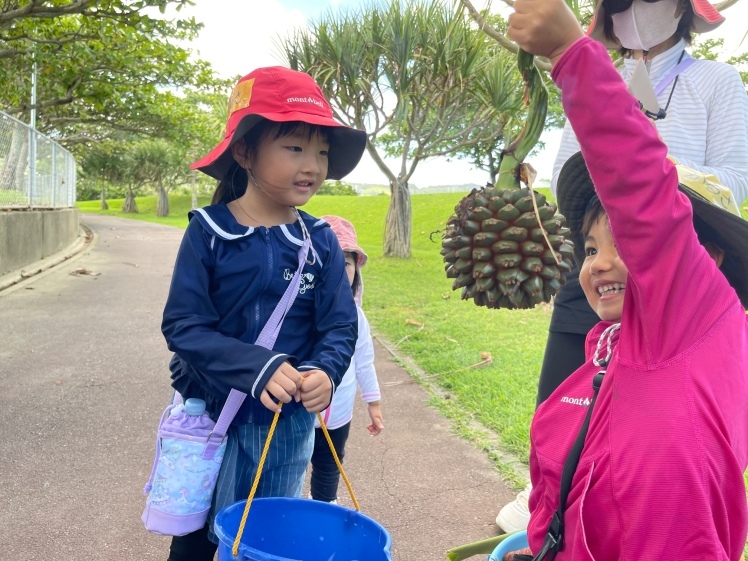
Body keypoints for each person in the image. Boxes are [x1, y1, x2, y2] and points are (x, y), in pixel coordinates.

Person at [500, 1, 748, 558]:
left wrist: (570, 56)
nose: (634, 9)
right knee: (570, 417)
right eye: (592, 250)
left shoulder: (714, 80)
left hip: (676, 265)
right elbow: (584, 178)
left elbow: (654, 197)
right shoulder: (602, 343)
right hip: (631, 284)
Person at [159, 66, 367, 561]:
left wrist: (324, 371)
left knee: (261, 535)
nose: (313, 165)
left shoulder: (319, 241)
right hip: (210, 413)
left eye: (321, 151)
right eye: (294, 148)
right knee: (194, 536)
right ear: (245, 151)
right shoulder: (208, 231)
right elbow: (183, 325)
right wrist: (259, 367)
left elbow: (340, 324)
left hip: (285, 423)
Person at [309, 215, 384, 504]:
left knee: (330, 464)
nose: (339, 269)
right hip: (298, 411)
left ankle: (324, 506)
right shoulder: (297, 312)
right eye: (327, 260)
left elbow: (364, 359)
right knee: (288, 461)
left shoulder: (356, 317)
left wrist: (373, 401)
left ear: (356, 272)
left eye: (347, 262)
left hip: (338, 412)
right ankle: (286, 507)